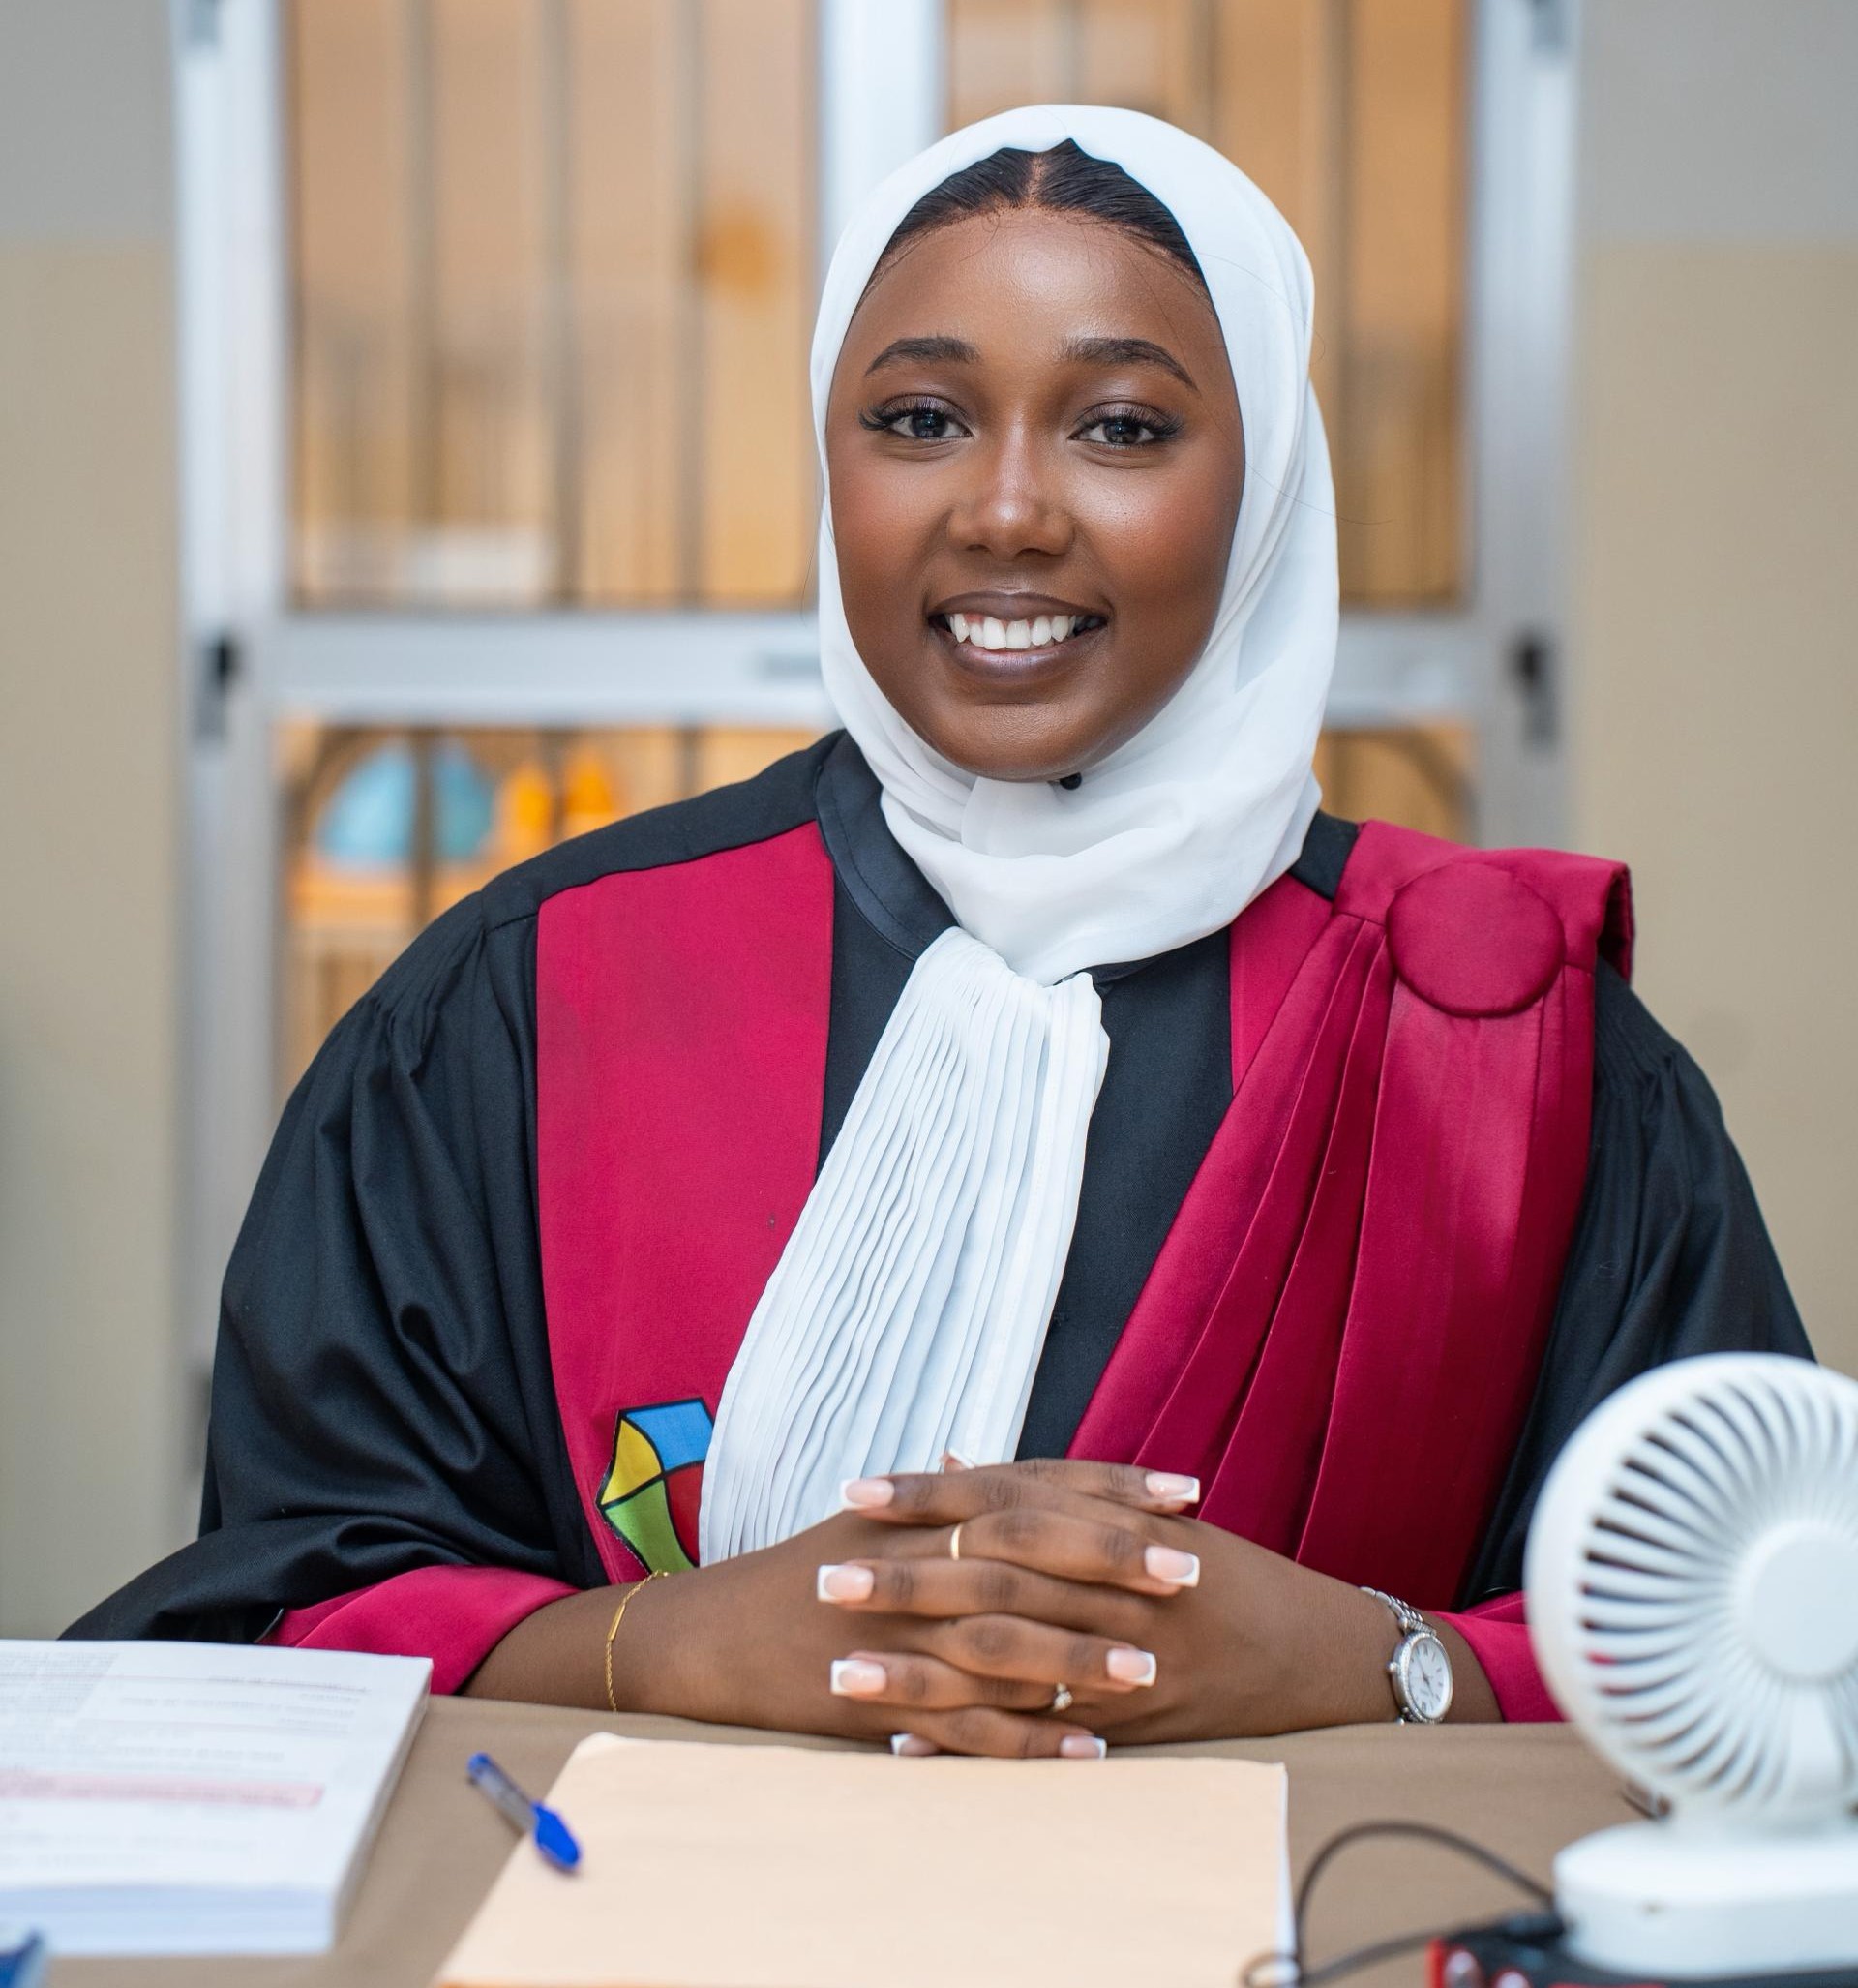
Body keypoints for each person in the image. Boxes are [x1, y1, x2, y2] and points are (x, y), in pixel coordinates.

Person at [73, 106, 1807, 1755]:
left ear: (1268, 484)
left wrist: (1374, 1661)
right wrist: (658, 1645)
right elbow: (290, 1605)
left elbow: (1765, 1632)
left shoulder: (1504, 1047)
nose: (1007, 510)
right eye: (919, 419)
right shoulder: (529, 1000)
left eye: (1121, 427)